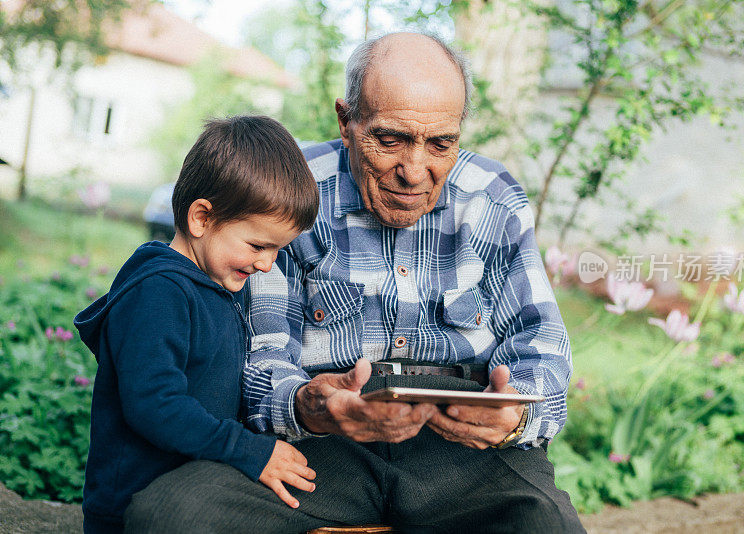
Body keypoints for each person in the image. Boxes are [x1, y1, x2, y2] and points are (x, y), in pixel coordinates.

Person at [125, 33, 585, 533]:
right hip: (322, 446)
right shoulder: (291, 195)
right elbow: (264, 359)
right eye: (390, 140)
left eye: (441, 144)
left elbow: (542, 343)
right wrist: (311, 405)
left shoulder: (493, 198)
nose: (414, 171)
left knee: (547, 525)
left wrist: (512, 417)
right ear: (347, 122)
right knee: (172, 517)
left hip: (462, 449)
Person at [74, 116, 320, 533]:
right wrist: (247, 449)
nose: (267, 263)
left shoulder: (219, 285)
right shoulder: (158, 293)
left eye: (278, 249)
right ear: (201, 219)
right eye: (258, 245)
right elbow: (155, 405)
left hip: (196, 496)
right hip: (134, 510)